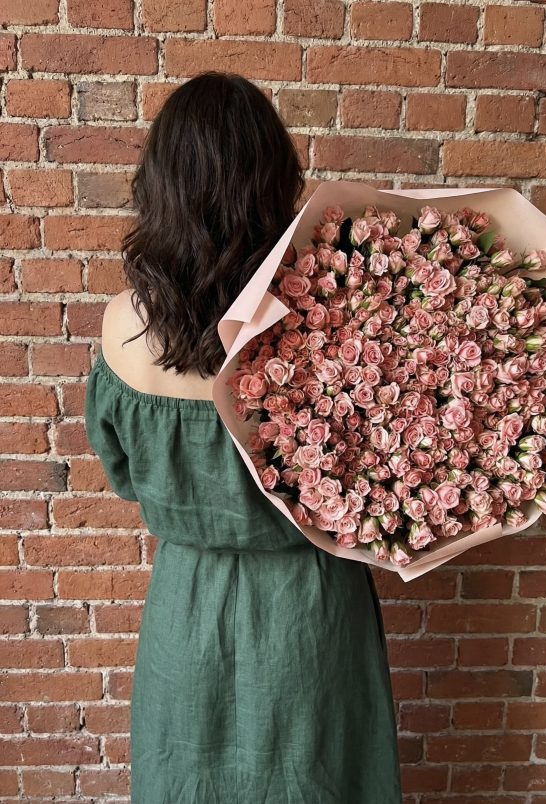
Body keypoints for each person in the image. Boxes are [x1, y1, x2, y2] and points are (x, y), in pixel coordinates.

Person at [84, 70, 403, 804]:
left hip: (188, 613)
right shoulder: (333, 320)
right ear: (274, 180)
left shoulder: (120, 329)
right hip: (312, 612)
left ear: (159, 182)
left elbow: (127, 477)